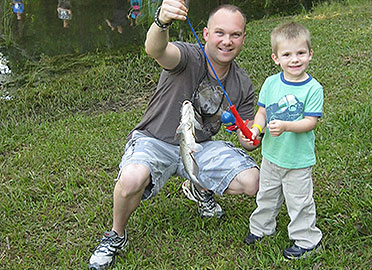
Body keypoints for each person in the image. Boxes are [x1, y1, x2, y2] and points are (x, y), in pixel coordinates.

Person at [88, 1, 260, 269]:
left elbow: (245, 135)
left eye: (235, 35)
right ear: (205, 34)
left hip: (199, 146)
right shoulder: (189, 56)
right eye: (220, 33)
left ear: (243, 38)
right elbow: (156, 49)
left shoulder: (242, 83)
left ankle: (198, 187)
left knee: (252, 182)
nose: (227, 41)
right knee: (131, 179)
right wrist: (161, 21)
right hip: (155, 140)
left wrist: (248, 139)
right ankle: (116, 235)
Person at [243, 22, 323, 260]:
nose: (295, 60)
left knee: (299, 202)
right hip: (271, 156)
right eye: (287, 54)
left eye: (300, 53)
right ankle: (261, 229)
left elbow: (310, 122)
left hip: (297, 160)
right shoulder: (271, 83)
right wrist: (257, 128)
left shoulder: (313, 88)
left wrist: (287, 125)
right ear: (276, 58)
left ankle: (307, 240)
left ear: (310, 54)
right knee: (266, 195)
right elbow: (263, 112)